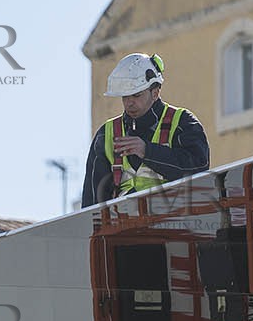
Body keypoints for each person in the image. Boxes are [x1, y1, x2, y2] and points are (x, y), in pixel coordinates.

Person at [82, 53, 210, 207]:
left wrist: (148, 151)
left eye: (136, 95)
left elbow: (200, 169)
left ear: (155, 92)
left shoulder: (182, 122)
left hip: (174, 224)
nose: (129, 103)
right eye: (125, 97)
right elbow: (92, 201)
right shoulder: (106, 134)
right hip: (125, 227)